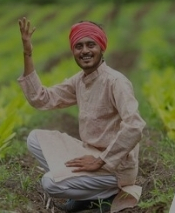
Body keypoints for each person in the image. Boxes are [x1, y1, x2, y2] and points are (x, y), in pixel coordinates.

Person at [18, 17, 145, 212]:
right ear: (73, 52)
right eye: (78, 46)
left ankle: (106, 194)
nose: (84, 51)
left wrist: (101, 161)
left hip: (115, 166)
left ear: (101, 48)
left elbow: (135, 125)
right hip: (90, 154)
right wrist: (28, 53)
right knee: (34, 138)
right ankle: (86, 193)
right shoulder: (80, 80)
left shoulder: (115, 81)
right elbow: (41, 98)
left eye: (90, 45)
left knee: (50, 183)